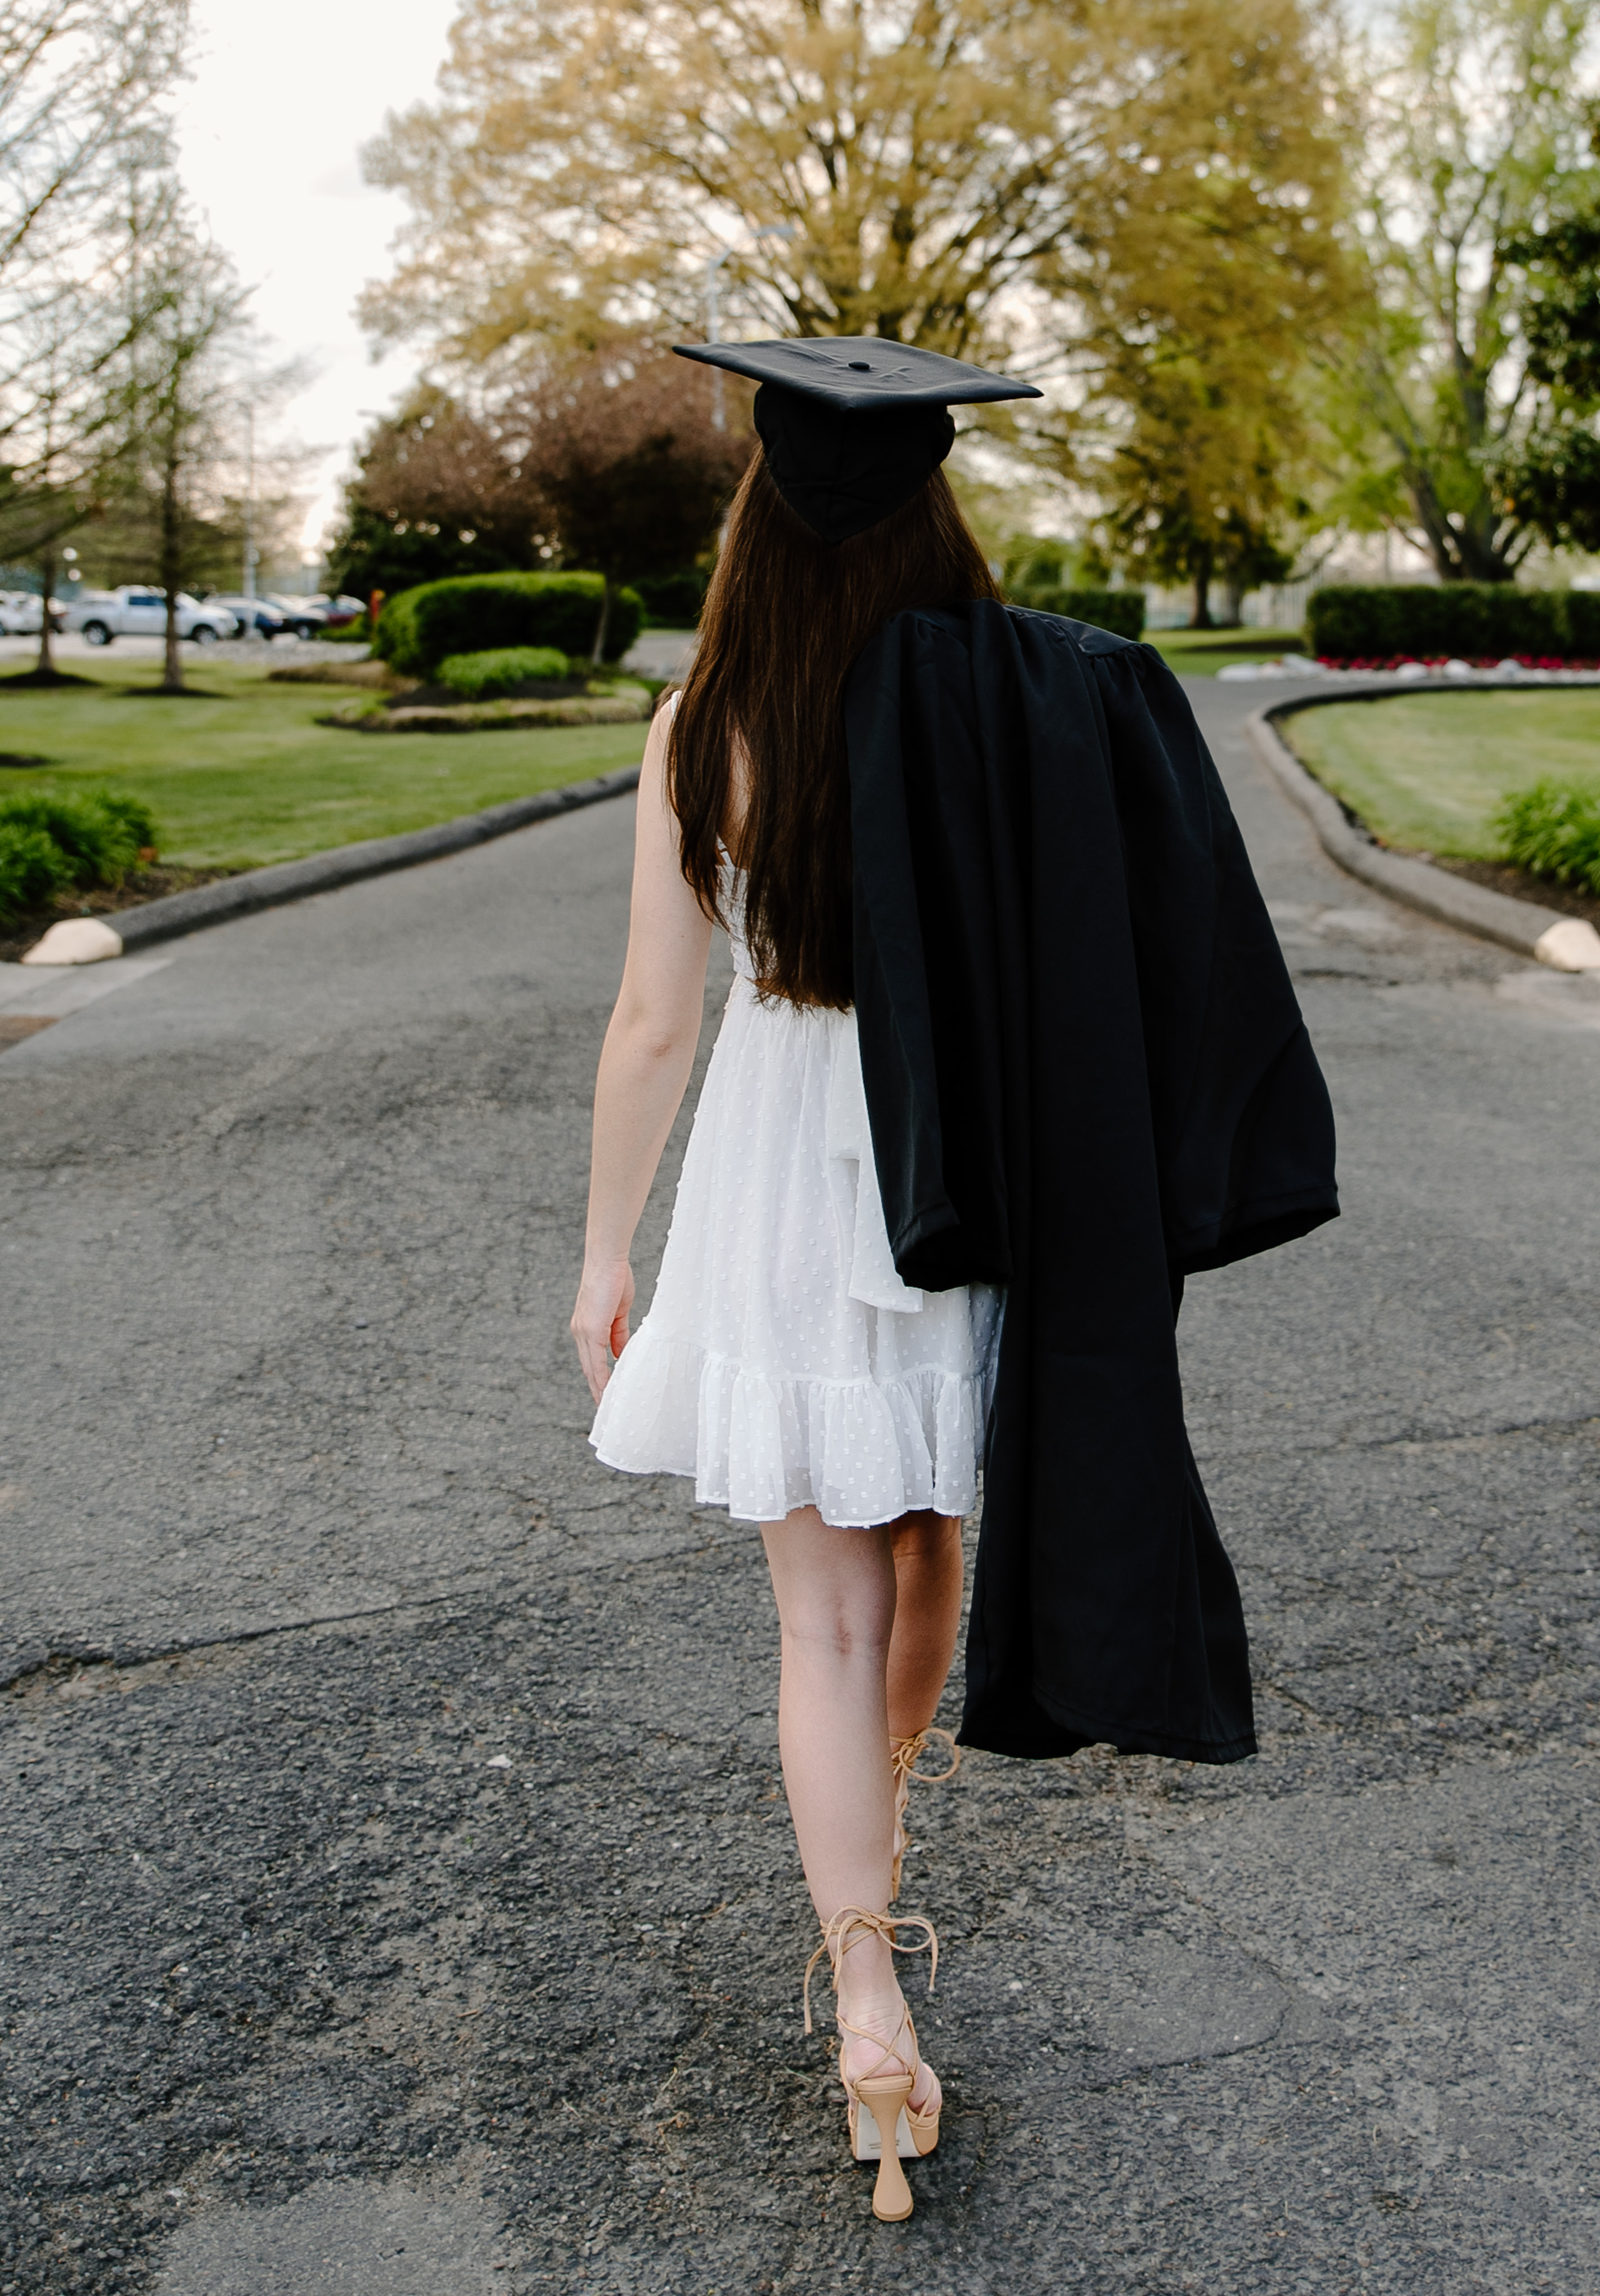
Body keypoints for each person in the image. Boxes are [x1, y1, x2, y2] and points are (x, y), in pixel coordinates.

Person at [570, 334, 1336, 2227]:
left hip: (777, 1165)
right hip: (960, 1159)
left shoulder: (706, 721)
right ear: (933, 500)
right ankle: (881, 1845)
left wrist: (605, 1248)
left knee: (820, 1616)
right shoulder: (1018, 699)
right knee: (925, 1543)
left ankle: (864, 1986)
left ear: (757, 508)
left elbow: (657, 1024)